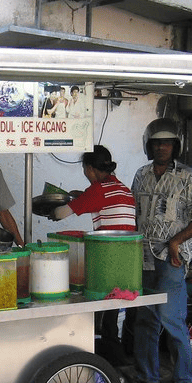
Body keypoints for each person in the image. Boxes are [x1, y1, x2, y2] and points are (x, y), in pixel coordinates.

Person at [131, 119, 192, 383]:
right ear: (148, 146)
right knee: (145, 319)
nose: (162, 147)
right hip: (142, 256)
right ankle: (147, 374)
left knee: (172, 320)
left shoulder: (189, 177)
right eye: (157, 143)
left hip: (171, 259)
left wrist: (176, 242)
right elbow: (134, 212)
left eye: (167, 143)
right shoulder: (141, 175)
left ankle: (185, 381)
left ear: (176, 146)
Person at [52, 145, 136, 362]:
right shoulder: (122, 189)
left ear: (89, 169)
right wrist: (80, 197)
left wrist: (55, 207)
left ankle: (98, 357)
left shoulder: (98, 191)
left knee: (97, 312)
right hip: (128, 264)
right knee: (111, 315)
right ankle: (114, 358)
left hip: (107, 261)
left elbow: (61, 213)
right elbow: (104, 205)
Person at [51, 145, 136, 231]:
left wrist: (47, 209)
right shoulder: (125, 190)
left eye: (84, 169)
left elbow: (59, 214)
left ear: (90, 168)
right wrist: (82, 196)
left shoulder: (98, 190)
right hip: (130, 242)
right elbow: (103, 202)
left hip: (111, 243)